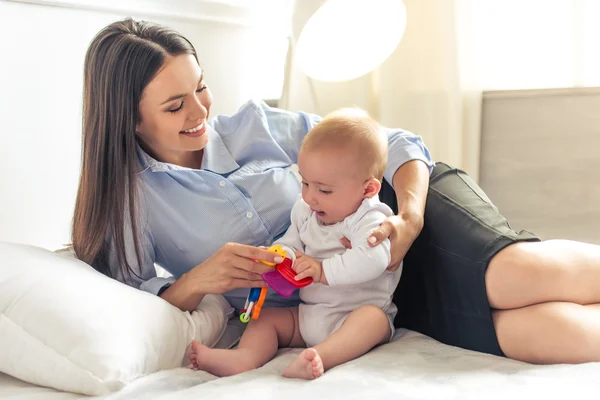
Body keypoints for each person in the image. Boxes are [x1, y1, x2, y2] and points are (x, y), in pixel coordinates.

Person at [72, 18, 600, 366]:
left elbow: (394, 142)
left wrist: (410, 219)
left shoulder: (253, 125)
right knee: (553, 337)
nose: (201, 111)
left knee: (513, 277)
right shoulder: (132, 204)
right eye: (174, 106)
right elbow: (133, 286)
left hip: (394, 212)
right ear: (129, 120)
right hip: (354, 302)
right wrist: (195, 282)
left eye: (201, 87)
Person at [188, 109, 401, 379]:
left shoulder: (371, 218)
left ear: (368, 189)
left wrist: (322, 271)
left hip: (353, 315)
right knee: (266, 319)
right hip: (307, 316)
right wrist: (278, 256)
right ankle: (244, 357)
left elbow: (374, 260)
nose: (311, 197)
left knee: (372, 320)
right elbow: (292, 242)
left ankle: (319, 356)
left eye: (324, 190)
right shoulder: (306, 211)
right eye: (305, 182)